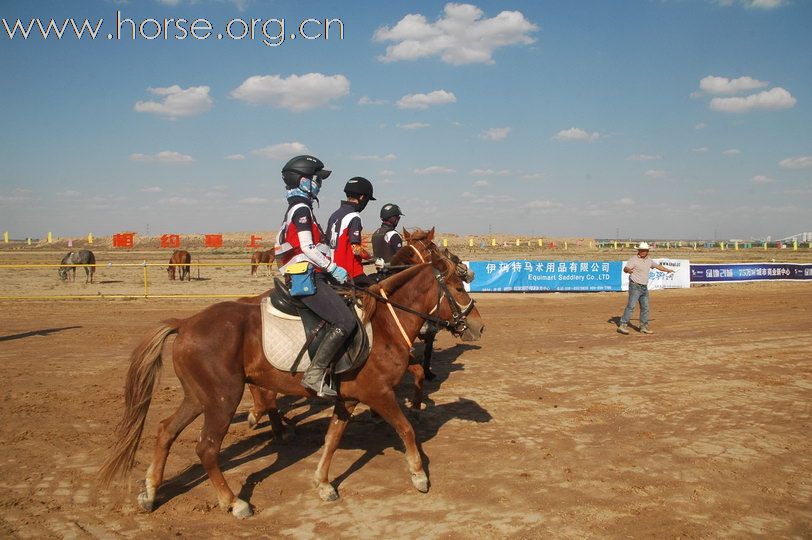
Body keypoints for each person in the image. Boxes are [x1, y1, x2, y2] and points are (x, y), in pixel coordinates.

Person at [274, 155, 355, 397]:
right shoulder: (301, 208)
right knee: (345, 321)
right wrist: (333, 268)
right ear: (303, 180)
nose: (319, 183)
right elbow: (307, 248)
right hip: (308, 278)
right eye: (317, 179)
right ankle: (315, 375)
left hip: (310, 275)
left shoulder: (298, 207)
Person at [327, 177, 376, 288]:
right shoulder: (354, 216)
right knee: (382, 293)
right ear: (362, 197)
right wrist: (372, 258)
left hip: (334, 273)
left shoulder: (334, 215)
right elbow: (356, 249)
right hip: (352, 274)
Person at [617, 242, 675, 334]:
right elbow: (625, 268)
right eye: (641, 250)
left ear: (648, 251)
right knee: (631, 306)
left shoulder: (649, 260)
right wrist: (628, 270)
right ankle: (623, 325)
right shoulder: (633, 259)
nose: (643, 252)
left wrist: (668, 270)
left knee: (645, 307)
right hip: (635, 286)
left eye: (645, 250)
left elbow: (658, 266)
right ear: (638, 251)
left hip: (644, 287)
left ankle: (644, 327)